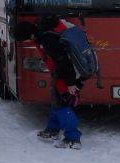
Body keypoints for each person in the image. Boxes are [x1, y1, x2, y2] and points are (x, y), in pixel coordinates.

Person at [13, 15, 84, 149]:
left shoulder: (48, 39)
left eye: (28, 38)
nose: (30, 40)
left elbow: (63, 61)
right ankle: (52, 130)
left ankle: (73, 138)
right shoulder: (45, 29)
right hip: (62, 73)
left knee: (63, 104)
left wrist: (70, 83)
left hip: (68, 74)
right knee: (56, 99)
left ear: (31, 34)